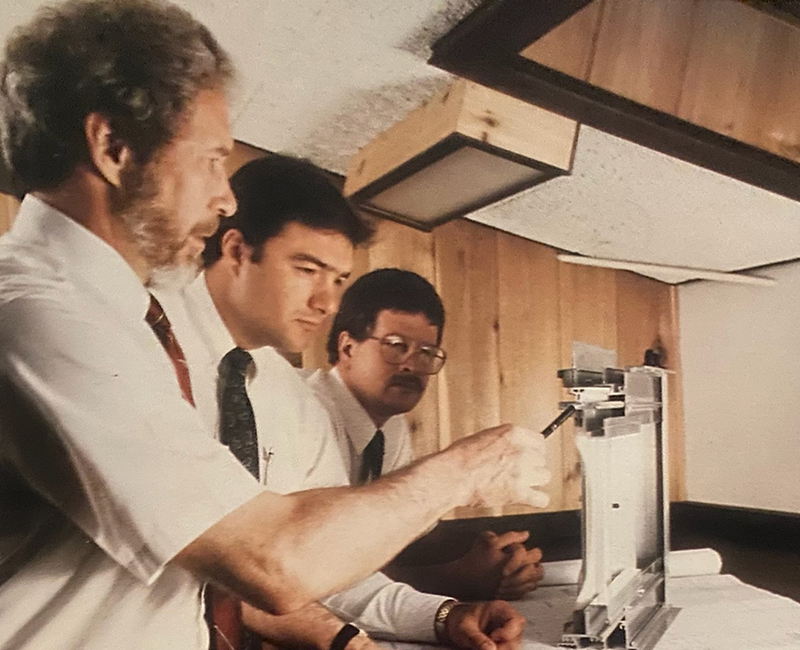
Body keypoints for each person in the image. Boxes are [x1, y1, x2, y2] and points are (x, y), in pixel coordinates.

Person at [0, 2, 550, 649]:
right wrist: (470, 469)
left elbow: (287, 556)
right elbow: (270, 560)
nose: (224, 196)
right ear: (114, 148)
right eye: (209, 160)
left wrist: (433, 615)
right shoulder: (42, 313)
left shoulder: (119, 319)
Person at [161, 154, 529, 650]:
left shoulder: (287, 396)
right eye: (307, 269)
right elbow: (238, 565)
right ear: (237, 250)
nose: (327, 303)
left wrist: (443, 616)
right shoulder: (149, 350)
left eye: (337, 280)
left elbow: (330, 570)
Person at [309, 269, 546, 601]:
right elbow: (320, 574)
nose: (411, 365)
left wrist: (495, 562)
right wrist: (458, 577)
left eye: (425, 353)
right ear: (347, 347)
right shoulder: (308, 413)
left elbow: (394, 547)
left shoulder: (389, 426)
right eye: (396, 346)